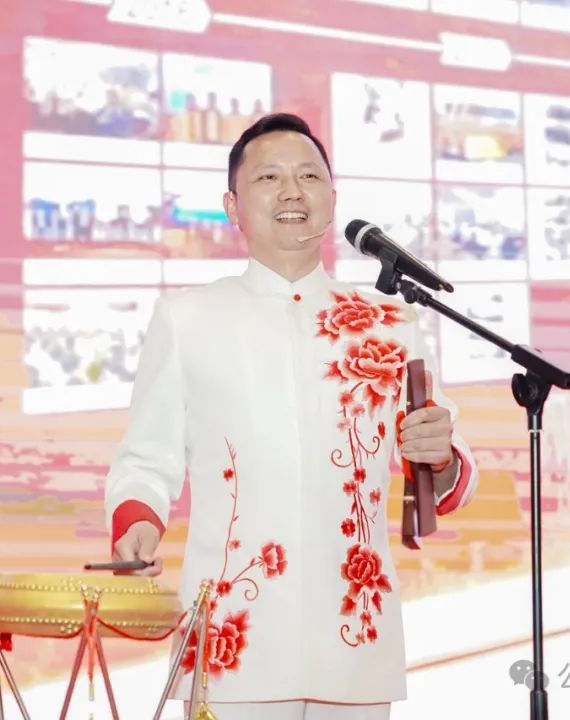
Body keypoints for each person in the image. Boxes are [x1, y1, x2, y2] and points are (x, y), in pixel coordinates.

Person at [104, 113, 478, 720]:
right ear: (233, 205)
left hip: (354, 634)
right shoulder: (189, 317)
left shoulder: (389, 321)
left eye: (309, 176)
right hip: (233, 636)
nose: (291, 191)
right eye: (268, 177)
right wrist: (137, 519)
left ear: (332, 199)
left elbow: (443, 467)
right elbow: (147, 458)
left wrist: (440, 456)